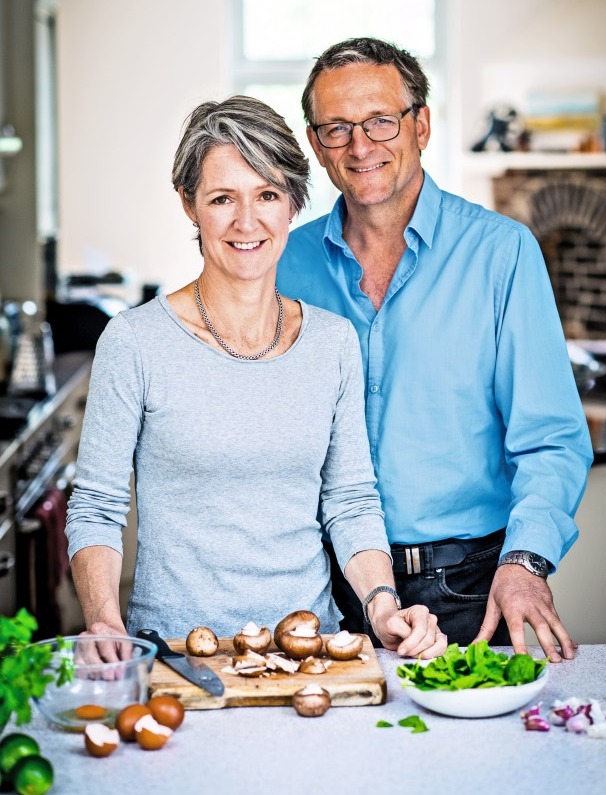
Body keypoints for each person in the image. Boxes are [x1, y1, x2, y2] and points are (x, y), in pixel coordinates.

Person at [65, 95, 446, 659]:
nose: (247, 222)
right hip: (177, 653)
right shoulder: (134, 341)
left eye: (267, 194)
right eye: (223, 198)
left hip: (310, 650)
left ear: (292, 202)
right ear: (189, 206)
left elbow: (350, 500)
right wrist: (102, 620)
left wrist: (383, 606)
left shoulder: (332, 341)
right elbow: (97, 505)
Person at [277, 38, 594, 663]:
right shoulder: (284, 263)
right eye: (337, 128)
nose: (359, 146)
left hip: (469, 584)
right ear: (315, 145)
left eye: (379, 121)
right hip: (317, 580)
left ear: (421, 124)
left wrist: (525, 562)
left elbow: (552, 437)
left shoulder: (502, 253)